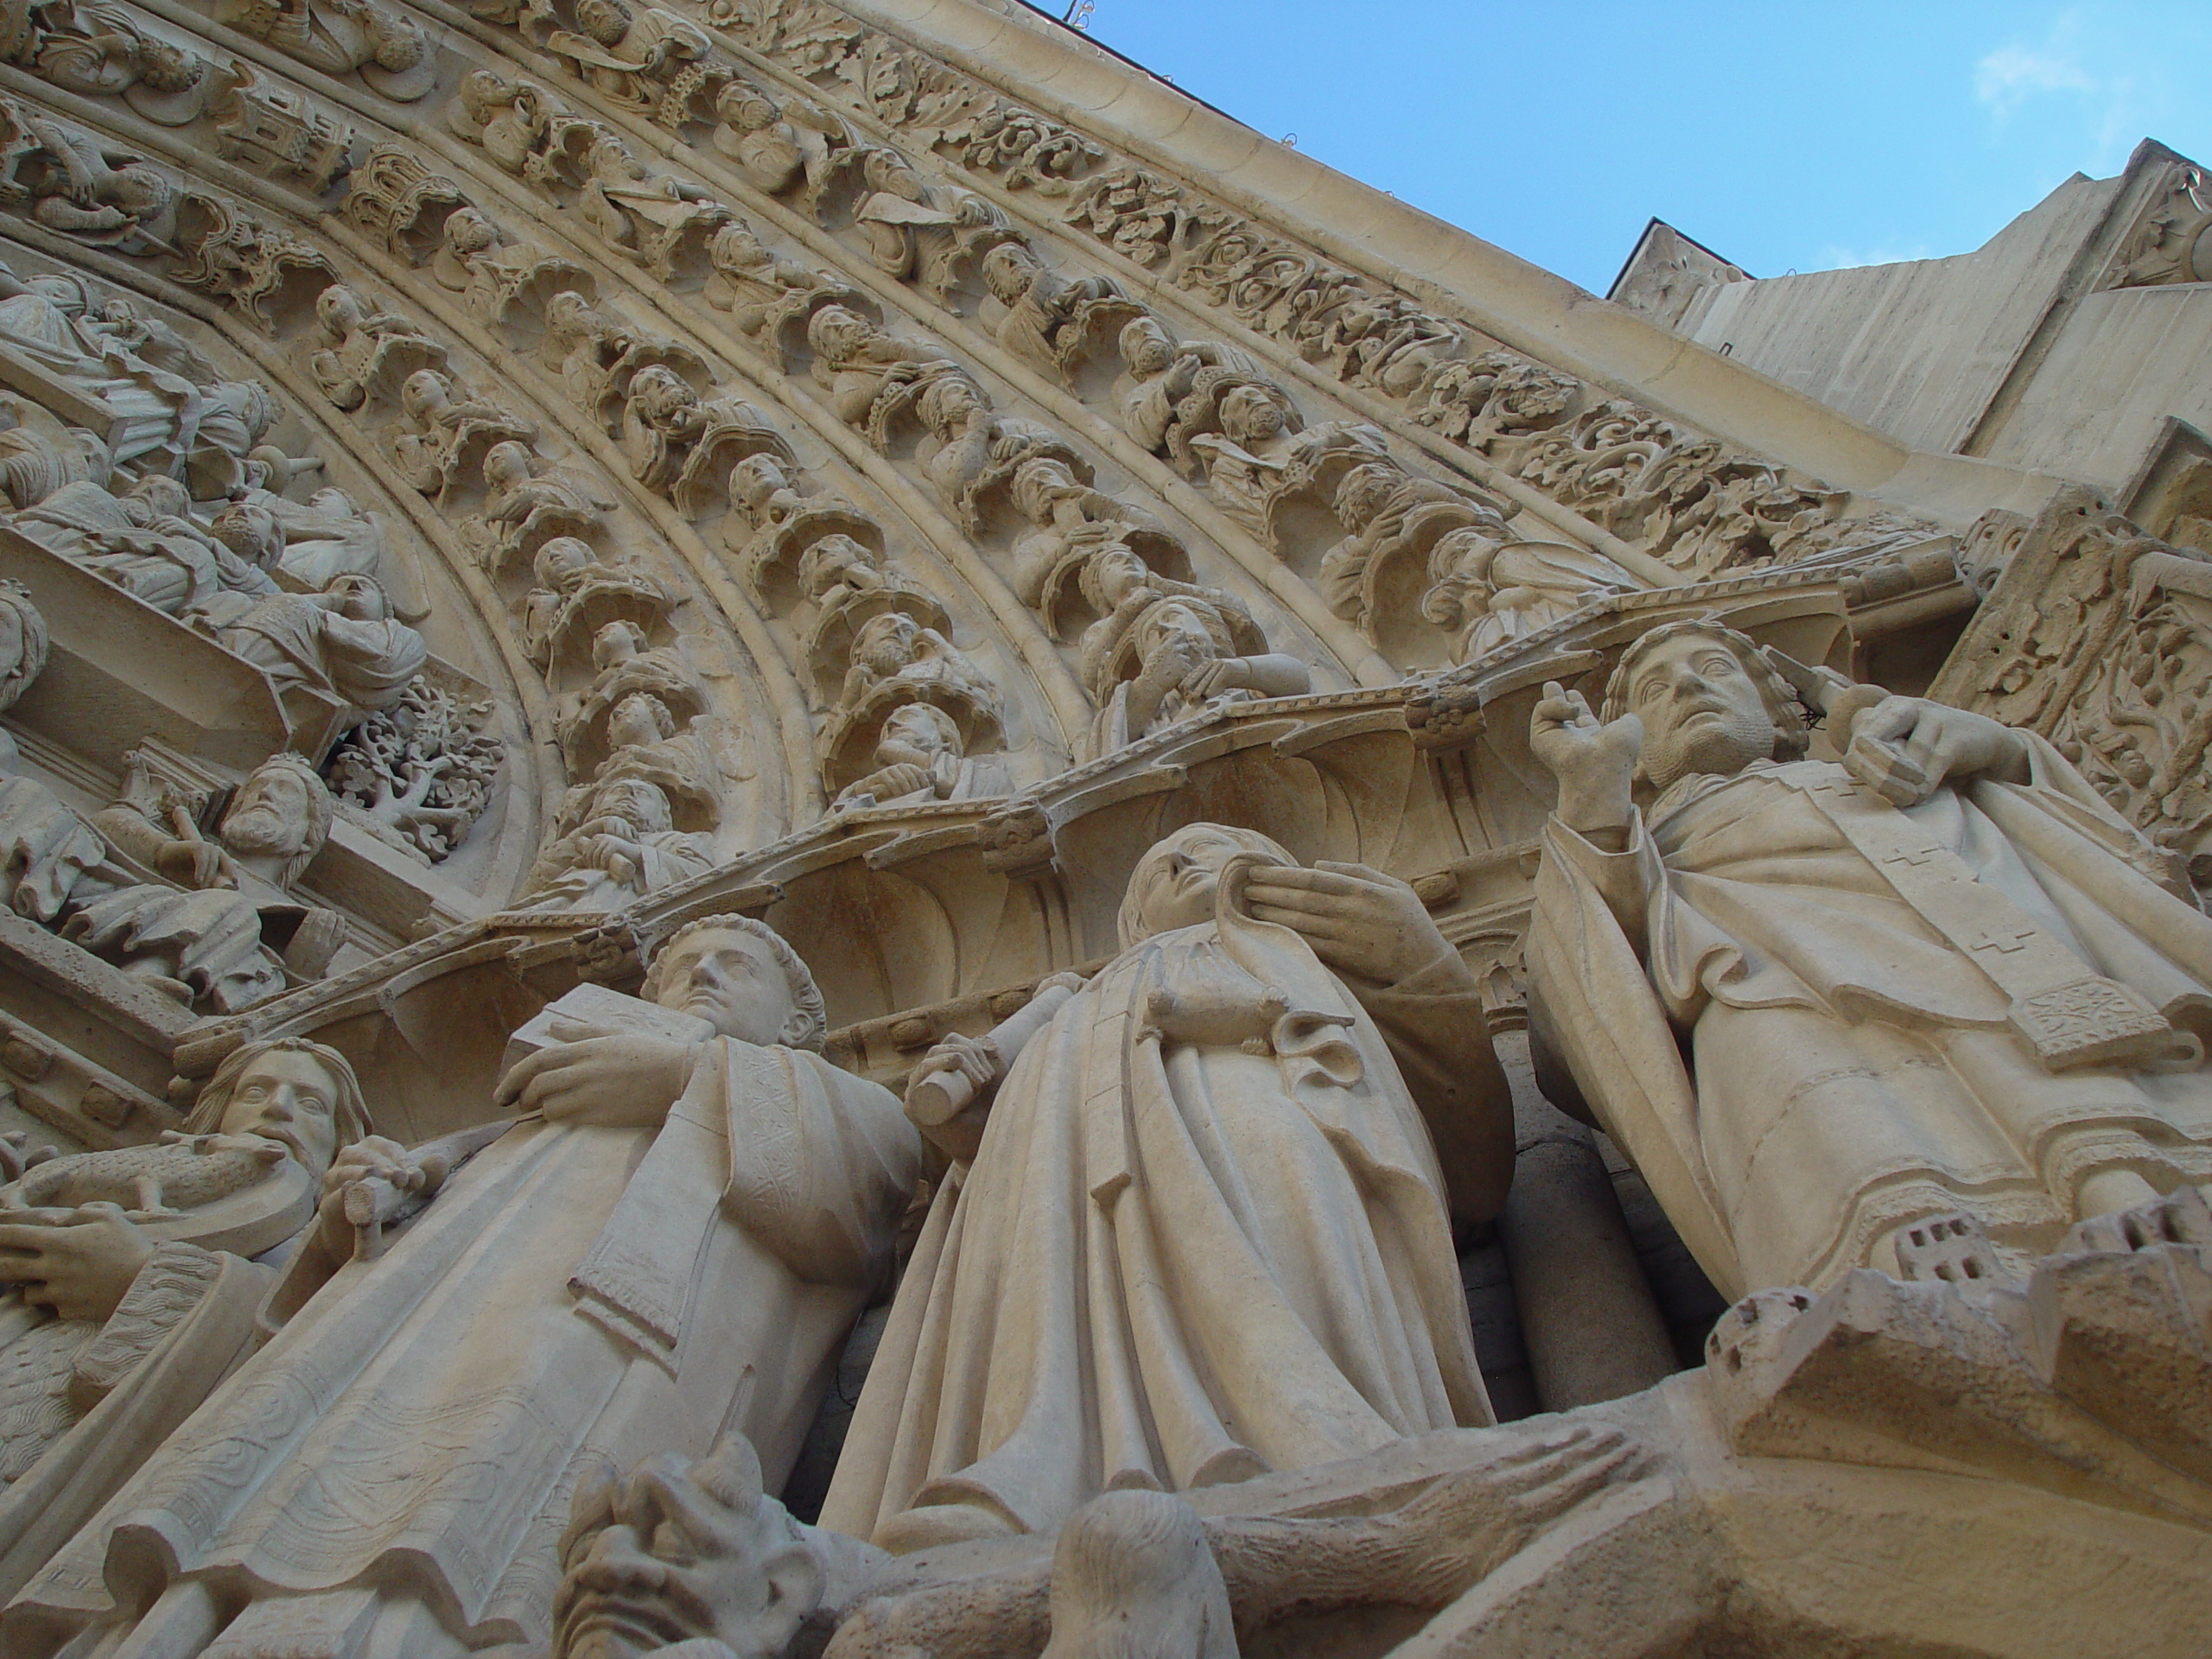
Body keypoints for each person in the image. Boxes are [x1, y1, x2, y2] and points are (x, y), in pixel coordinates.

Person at [10, 916, 920, 1658]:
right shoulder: (544, 1102)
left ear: (799, 1025)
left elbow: (871, 1190)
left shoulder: (835, 1104)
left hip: (606, 1350)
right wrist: (392, 1198)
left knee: (481, 1551)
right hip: (419, 1342)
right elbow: (388, 1242)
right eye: (681, 967)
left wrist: (684, 1076)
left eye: (734, 967)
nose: (703, 978)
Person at [821, 823, 1511, 1554]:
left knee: (1266, 1237)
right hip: (1059, 1158)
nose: (1181, 861)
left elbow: (1474, 1167)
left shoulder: (1310, 962)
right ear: (1130, 921)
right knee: (1043, 1280)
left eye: (1209, 845)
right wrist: (968, 1122)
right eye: (1153, 871)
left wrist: (1419, 967)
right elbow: (984, 1135)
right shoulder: (1083, 996)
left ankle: (1320, 1447)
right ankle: (1038, 1475)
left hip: (1254, 1104)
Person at [1526, 618, 2212, 1298]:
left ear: (1782, 711)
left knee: (2068, 1111)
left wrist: (1995, 749)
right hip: (1786, 1013)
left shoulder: (1883, 774)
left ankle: (2130, 1193)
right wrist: (1594, 800)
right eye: (1654, 688)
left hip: (1982, 963)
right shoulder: (1643, 847)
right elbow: (1590, 1008)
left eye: (1715, 668)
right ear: (1637, 757)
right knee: (1826, 1106)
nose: (1685, 686)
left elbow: (2105, 856)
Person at [0, 1039, 372, 1601]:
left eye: (312, 1104)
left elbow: (310, 1361)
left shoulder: (329, 1248)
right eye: (256, 1091)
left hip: (108, 1477)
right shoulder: (138, 1186)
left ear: (341, 1143)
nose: (278, 1109)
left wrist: (142, 1280)